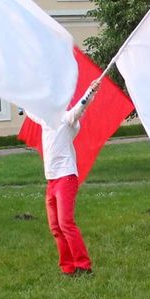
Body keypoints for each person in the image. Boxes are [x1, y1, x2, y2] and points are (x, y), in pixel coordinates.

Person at [38, 78, 101, 276]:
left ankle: (83, 265)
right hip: (52, 180)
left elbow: (79, 109)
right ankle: (67, 267)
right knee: (55, 226)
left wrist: (91, 91)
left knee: (66, 223)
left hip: (66, 177)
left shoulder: (66, 120)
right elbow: (31, 108)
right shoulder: (44, 121)